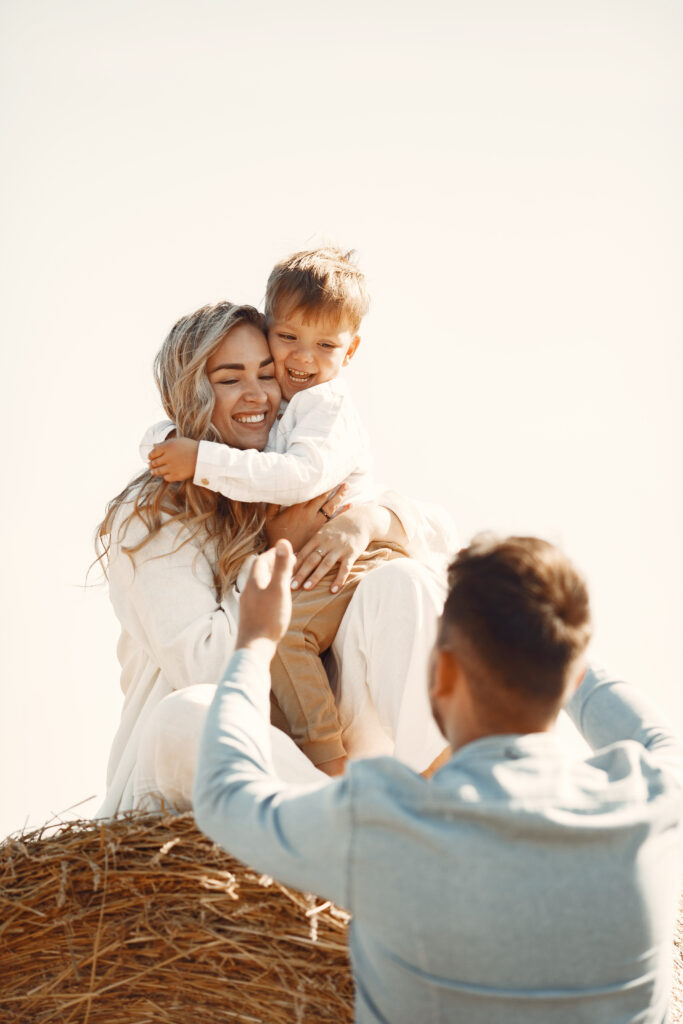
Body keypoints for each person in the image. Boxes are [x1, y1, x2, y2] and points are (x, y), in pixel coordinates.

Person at [194, 535, 683, 1024]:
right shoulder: (652, 802)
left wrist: (255, 644)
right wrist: (555, 645)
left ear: (443, 672)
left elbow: (224, 794)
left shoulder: (389, 824)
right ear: (571, 678)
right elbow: (654, 735)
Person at [96, 300, 449, 818]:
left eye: (267, 374)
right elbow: (208, 669)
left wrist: (366, 523)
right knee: (187, 715)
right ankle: (360, 824)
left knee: (403, 582)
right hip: (230, 767)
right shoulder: (156, 512)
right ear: (191, 392)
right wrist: (287, 547)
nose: (258, 395)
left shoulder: (291, 466)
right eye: (229, 379)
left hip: (328, 749)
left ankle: (449, 796)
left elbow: (443, 545)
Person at [141, 248, 416, 775]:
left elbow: (300, 478)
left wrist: (365, 521)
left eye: (325, 345)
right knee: (288, 640)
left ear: (351, 350)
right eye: (287, 338)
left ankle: (342, 764)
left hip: (352, 566)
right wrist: (165, 444)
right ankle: (330, 766)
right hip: (215, 734)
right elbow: (203, 666)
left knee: (337, 616)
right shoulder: (287, 409)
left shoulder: (323, 406)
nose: (301, 360)